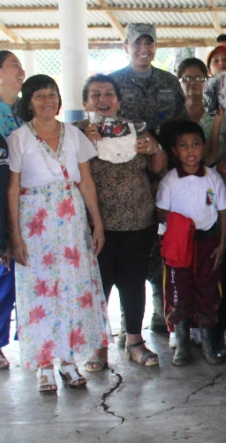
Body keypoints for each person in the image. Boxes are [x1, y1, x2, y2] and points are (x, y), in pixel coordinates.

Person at [8, 75, 110, 392]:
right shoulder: (19, 138)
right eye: (39, 96)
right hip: (34, 223)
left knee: (71, 287)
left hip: (71, 222)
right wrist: (15, 235)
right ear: (29, 102)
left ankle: (67, 361)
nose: (47, 101)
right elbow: (12, 189)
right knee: (39, 291)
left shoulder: (75, 136)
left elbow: (87, 182)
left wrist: (98, 223)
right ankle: (44, 365)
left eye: (52, 94)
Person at [79, 74, 167, 369]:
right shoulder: (77, 135)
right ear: (85, 102)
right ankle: (99, 346)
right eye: (95, 94)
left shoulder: (137, 129)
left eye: (108, 93)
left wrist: (154, 148)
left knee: (133, 284)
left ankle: (134, 342)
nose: (103, 99)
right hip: (96, 225)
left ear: (117, 100)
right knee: (98, 286)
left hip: (137, 221)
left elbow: (157, 166)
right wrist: (83, 142)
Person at [110, 23, 189, 333]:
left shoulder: (169, 82)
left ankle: (161, 311)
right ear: (126, 46)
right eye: (137, 43)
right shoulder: (112, 82)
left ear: (156, 46)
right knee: (128, 247)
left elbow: (180, 128)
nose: (143, 49)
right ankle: (128, 321)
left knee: (163, 244)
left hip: (165, 173)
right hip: (123, 176)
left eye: (149, 43)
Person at [155, 120, 226, 366]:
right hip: (179, 248)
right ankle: (182, 346)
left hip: (208, 243)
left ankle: (209, 346)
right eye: (183, 146)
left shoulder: (213, 178)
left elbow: (223, 213)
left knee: (208, 292)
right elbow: (161, 214)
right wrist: (176, 234)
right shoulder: (170, 180)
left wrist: (221, 245)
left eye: (196, 144)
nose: (190, 151)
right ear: (175, 150)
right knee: (179, 293)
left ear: (204, 147)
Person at [0, 50, 24, 370]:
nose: (21, 70)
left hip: (19, 207)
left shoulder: (17, 114)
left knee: (10, 282)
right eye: (14, 65)